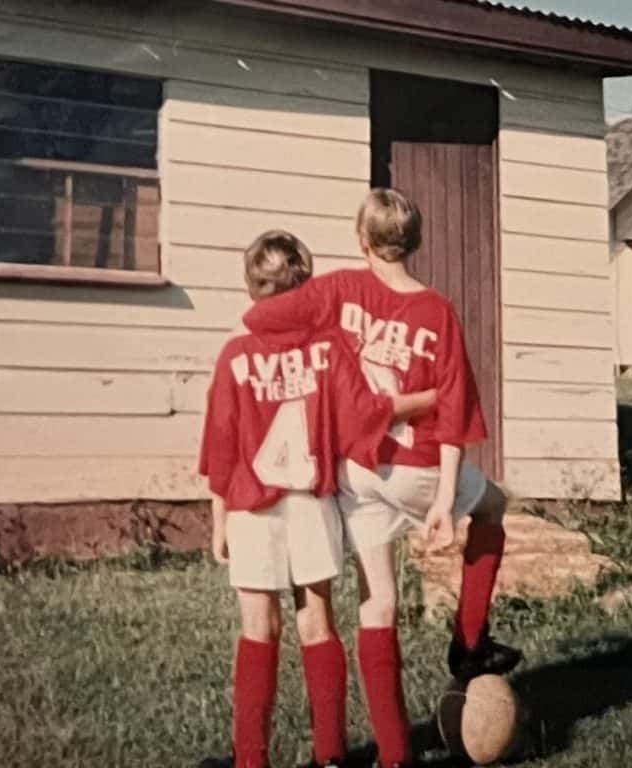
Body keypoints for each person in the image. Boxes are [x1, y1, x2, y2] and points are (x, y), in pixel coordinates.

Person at [242, 190, 523, 768]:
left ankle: (396, 755)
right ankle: (469, 643)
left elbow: (260, 316)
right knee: (493, 505)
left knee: (380, 604)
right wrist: (446, 500)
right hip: (416, 465)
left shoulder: (339, 290)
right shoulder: (437, 310)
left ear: (361, 240)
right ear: (414, 242)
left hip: (360, 470)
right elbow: (453, 415)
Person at [199, 230, 436, 768]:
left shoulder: (235, 355)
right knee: (317, 623)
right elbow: (362, 417)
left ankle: (251, 761)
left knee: (258, 628)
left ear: (252, 285)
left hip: (252, 507)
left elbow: (221, 445)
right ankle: (331, 755)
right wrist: (427, 399)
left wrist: (218, 520)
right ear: (305, 282)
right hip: (311, 502)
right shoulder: (329, 349)